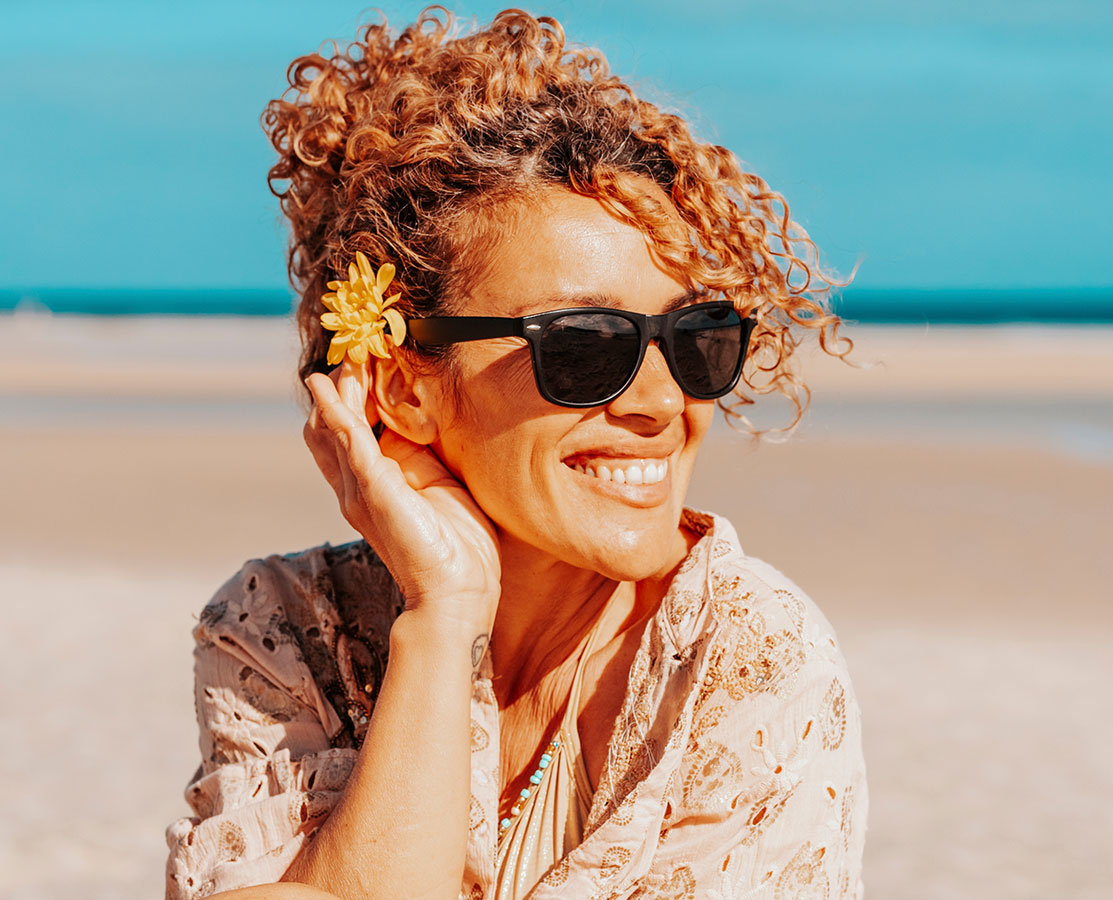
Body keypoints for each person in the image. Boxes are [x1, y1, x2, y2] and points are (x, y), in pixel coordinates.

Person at [164, 7, 867, 899]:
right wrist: (444, 615)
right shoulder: (289, 628)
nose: (661, 402)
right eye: (583, 347)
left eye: (695, 340)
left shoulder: (744, 655)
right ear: (403, 385)